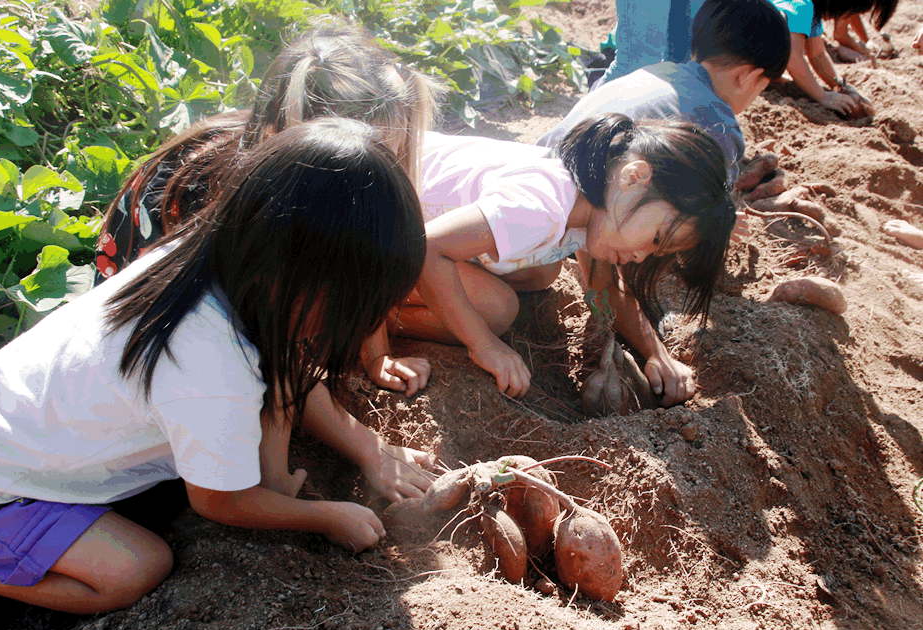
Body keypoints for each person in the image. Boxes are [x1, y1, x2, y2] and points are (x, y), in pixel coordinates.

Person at [0, 119, 434, 630]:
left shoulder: (212, 262)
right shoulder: (208, 367)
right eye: (360, 308)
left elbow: (285, 372)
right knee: (137, 568)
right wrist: (326, 517)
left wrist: (360, 452)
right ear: (304, 280)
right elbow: (219, 502)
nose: (364, 325)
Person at [92, 21, 444, 398]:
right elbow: (265, 353)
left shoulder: (301, 170)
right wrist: (367, 450)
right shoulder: (242, 197)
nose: (384, 169)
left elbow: (363, 245)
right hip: (150, 340)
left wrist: (377, 355)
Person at [364, 114, 735, 404]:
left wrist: (656, 354)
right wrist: (485, 345)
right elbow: (428, 248)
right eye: (655, 238)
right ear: (633, 177)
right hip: (362, 222)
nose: (642, 255)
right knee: (497, 311)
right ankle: (365, 320)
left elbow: (604, 288)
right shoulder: (541, 208)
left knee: (543, 271)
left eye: (658, 251)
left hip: (405, 224)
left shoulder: (592, 204)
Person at [537, 0, 791, 187]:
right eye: (762, 87)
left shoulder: (656, 71)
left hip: (537, 171)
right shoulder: (718, 122)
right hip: (576, 206)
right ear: (746, 78)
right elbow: (712, 209)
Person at [767, 0, 898, 116]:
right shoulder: (802, 5)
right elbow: (793, 57)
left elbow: (817, 54)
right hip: (749, 51)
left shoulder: (811, 10)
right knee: (784, 50)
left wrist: (840, 85)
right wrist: (822, 96)